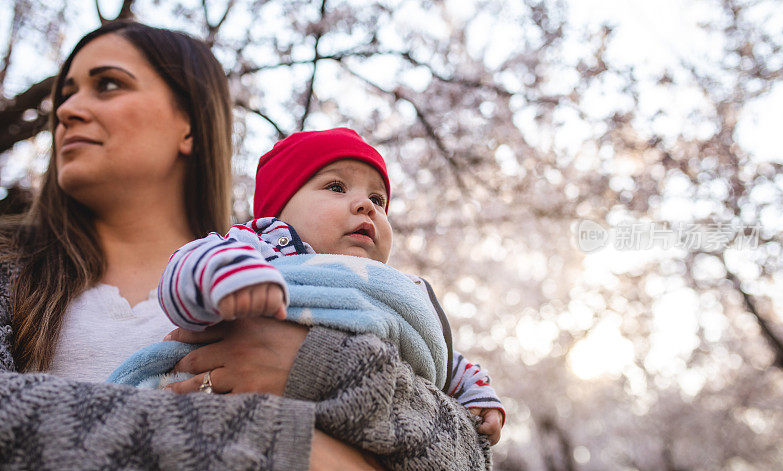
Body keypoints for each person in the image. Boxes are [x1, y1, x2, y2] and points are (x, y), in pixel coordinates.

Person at [0, 21, 491, 469]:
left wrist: (321, 367)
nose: (65, 110)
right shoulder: (14, 274)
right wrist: (284, 444)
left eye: (108, 84)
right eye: (64, 93)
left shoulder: (331, 279)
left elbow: (467, 454)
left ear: (190, 123)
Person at [150, 128, 505, 444]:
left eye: (379, 200)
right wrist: (229, 280)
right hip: (239, 425)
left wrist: (474, 395)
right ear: (278, 211)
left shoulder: (393, 291)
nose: (366, 205)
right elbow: (184, 269)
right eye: (336, 187)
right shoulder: (255, 248)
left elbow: (432, 352)